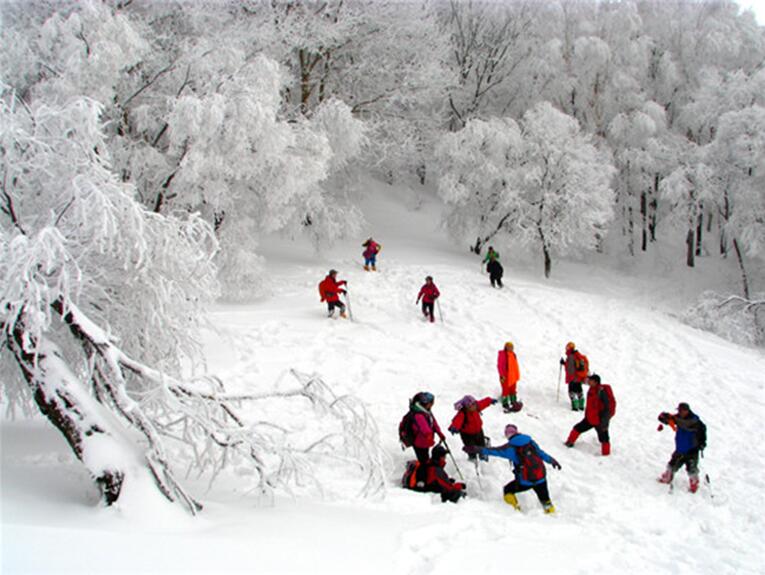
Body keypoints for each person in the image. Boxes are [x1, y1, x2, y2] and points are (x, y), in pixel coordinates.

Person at [464, 424, 561, 514]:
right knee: (545, 499)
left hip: (525, 481)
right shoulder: (530, 442)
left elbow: (494, 451)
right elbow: (541, 453)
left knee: (507, 490)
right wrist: (552, 461)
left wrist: (476, 449)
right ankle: (551, 514)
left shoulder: (510, 447)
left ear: (507, 435)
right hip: (541, 477)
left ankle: (516, 511)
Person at [657, 402, 706, 493]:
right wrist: (664, 417)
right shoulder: (678, 418)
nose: (680, 412)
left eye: (681, 411)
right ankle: (667, 477)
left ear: (687, 411)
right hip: (680, 448)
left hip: (692, 449)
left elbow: (703, 433)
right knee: (672, 464)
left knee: (691, 468)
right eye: (679, 410)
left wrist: (702, 443)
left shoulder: (695, 422)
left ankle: (694, 484)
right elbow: (663, 418)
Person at [564, 373, 615, 456]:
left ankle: (606, 455)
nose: (588, 381)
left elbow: (607, 408)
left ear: (595, 382)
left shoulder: (601, 392)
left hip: (599, 420)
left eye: (590, 380)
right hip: (590, 418)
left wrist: (604, 421)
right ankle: (569, 442)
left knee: (604, 438)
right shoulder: (592, 389)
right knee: (577, 428)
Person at [401, 445, 466, 503]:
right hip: (428, 492)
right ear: (440, 457)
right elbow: (448, 487)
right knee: (456, 493)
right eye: (444, 456)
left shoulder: (429, 463)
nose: (445, 458)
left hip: (424, 487)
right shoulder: (436, 469)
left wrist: (448, 480)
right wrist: (459, 486)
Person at [448, 395, 497, 461]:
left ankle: (483, 456)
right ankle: (472, 459)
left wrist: (490, 400)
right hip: (467, 435)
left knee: (481, 445)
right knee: (471, 448)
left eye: (474, 404)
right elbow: (456, 421)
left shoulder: (476, 407)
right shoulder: (463, 413)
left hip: (479, 432)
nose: (474, 406)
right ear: (467, 407)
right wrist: (454, 427)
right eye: (471, 405)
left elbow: (483, 402)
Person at [405, 391, 446, 466]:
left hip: (424, 442)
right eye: (432, 403)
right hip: (419, 442)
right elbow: (426, 430)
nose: (432, 405)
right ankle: (420, 472)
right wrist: (430, 439)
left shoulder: (426, 412)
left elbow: (434, 423)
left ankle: (424, 468)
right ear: (427, 404)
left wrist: (439, 433)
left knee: (425, 457)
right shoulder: (418, 415)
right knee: (423, 460)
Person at [560, 342, 588, 411]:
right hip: (579, 377)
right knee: (579, 391)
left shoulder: (571, 356)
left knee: (571, 392)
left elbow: (570, 369)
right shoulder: (577, 355)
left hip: (573, 378)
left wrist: (564, 364)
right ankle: (581, 406)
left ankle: (575, 407)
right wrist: (564, 363)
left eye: (567, 347)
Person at [497, 342, 522, 412]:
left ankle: (513, 401)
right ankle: (505, 403)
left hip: (512, 376)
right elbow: (500, 365)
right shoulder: (503, 354)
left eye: (512, 347)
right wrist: (502, 375)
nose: (511, 348)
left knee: (513, 389)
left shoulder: (513, 354)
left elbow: (515, 366)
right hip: (505, 376)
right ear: (506, 347)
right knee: (506, 390)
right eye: (509, 346)